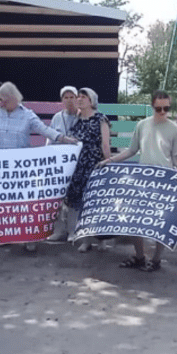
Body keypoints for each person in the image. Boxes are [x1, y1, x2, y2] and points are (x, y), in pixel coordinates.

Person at [0, 82, 78, 252]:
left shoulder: (27, 115)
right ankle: (4, 236)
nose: (0, 103)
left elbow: (45, 130)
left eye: (2, 99)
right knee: (1, 203)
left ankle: (29, 238)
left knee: (23, 204)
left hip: (20, 169)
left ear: (13, 98)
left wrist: (65, 139)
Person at [99, 90, 177, 272]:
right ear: (152, 107)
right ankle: (140, 256)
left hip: (164, 181)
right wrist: (109, 161)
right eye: (159, 108)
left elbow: (176, 159)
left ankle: (156, 259)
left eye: (167, 108)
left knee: (161, 222)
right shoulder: (142, 125)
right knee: (135, 220)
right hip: (142, 181)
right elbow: (131, 150)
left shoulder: (175, 130)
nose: (163, 112)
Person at [64, 87, 111, 252]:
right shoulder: (76, 119)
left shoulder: (100, 119)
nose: (80, 99)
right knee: (80, 204)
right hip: (78, 167)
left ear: (91, 101)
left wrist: (109, 163)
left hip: (94, 166)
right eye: (79, 97)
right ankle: (86, 240)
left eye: (83, 97)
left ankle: (101, 239)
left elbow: (105, 144)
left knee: (95, 204)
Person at [47, 85, 80, 240]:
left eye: (72, 97)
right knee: (57, 197)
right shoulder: (57, 117)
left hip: (78, 163)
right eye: (65, 97)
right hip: (59, 164)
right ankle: (59, 230)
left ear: (77, 98)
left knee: (74, 197)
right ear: (62, 100)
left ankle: (73, 231)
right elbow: (50, 137)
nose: (69, 100)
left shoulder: (82, 115)